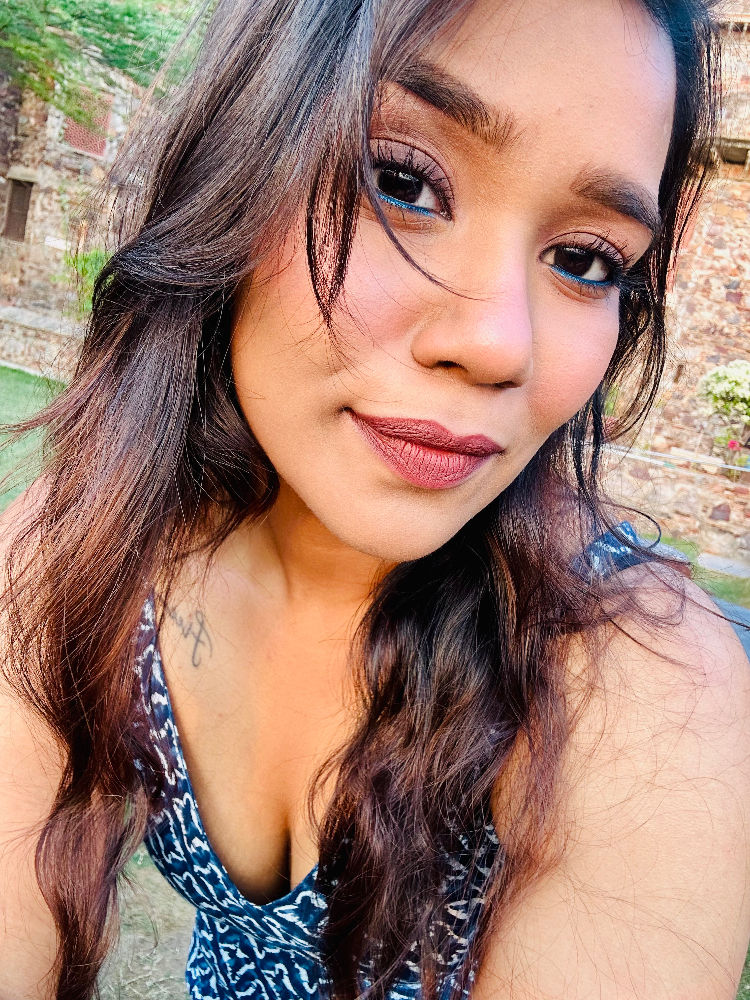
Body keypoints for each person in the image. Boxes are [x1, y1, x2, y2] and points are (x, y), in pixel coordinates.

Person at [1, 0, 749, 997]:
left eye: (585, 261)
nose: (500, 345)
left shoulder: (638, 682)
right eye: (403, 183)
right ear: (236, 163)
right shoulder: (89, 543)